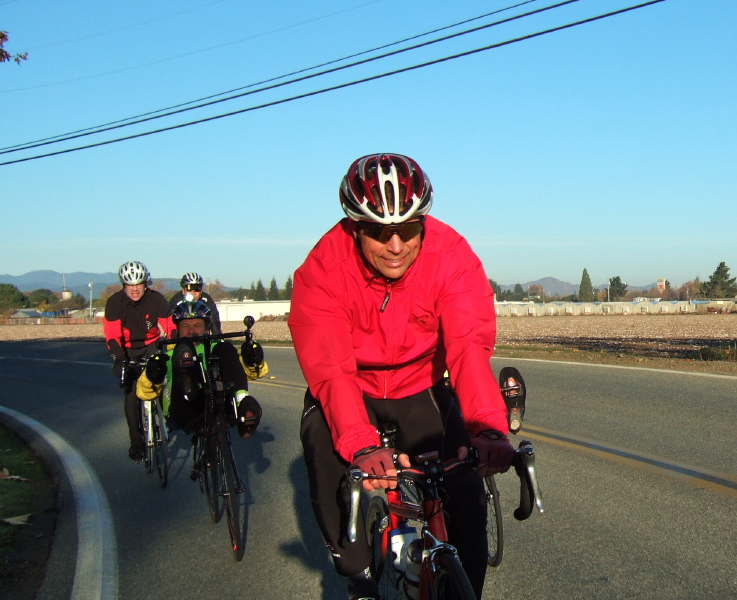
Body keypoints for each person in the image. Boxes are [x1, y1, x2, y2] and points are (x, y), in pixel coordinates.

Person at [288, 153, 515, 600]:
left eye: (408, 229)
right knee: (349, 547)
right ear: (355, 227)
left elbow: (469, 347)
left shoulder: (451, 256)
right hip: (351, 389)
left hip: (420, 387)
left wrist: (489, 427)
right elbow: (331, 369)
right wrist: (360, 443)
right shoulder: (323, 268)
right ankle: (363, 580)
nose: (396, 246)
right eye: (378, 231)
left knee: (466, 503)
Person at [136, 298, 264, 440]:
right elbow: (143, 393)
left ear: (206, 329)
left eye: (197, 325)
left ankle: (243, 404)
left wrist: (253, 360)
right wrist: (152, 375)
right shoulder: (167, 357)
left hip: (219, 403)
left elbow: (250, 373)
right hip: (184, 409)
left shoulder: (217, 349)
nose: (191, 331)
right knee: (184, 352)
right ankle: (190, 386)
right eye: (185, 326)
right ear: (177, 330)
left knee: (225, 347)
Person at [102, 260, 174, 462]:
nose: (135, 289)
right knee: (132, 392)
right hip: (127, 349)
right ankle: (136, 441)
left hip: (150, 345)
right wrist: (119, 359)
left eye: (139, 284)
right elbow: (112, 336)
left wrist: (177, 343)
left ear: (145, 283)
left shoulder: (155, 299)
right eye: (130, 285)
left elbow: (170, 326)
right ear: (123, 285)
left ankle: (164, 414)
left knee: (161, 375)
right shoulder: (115, 303)